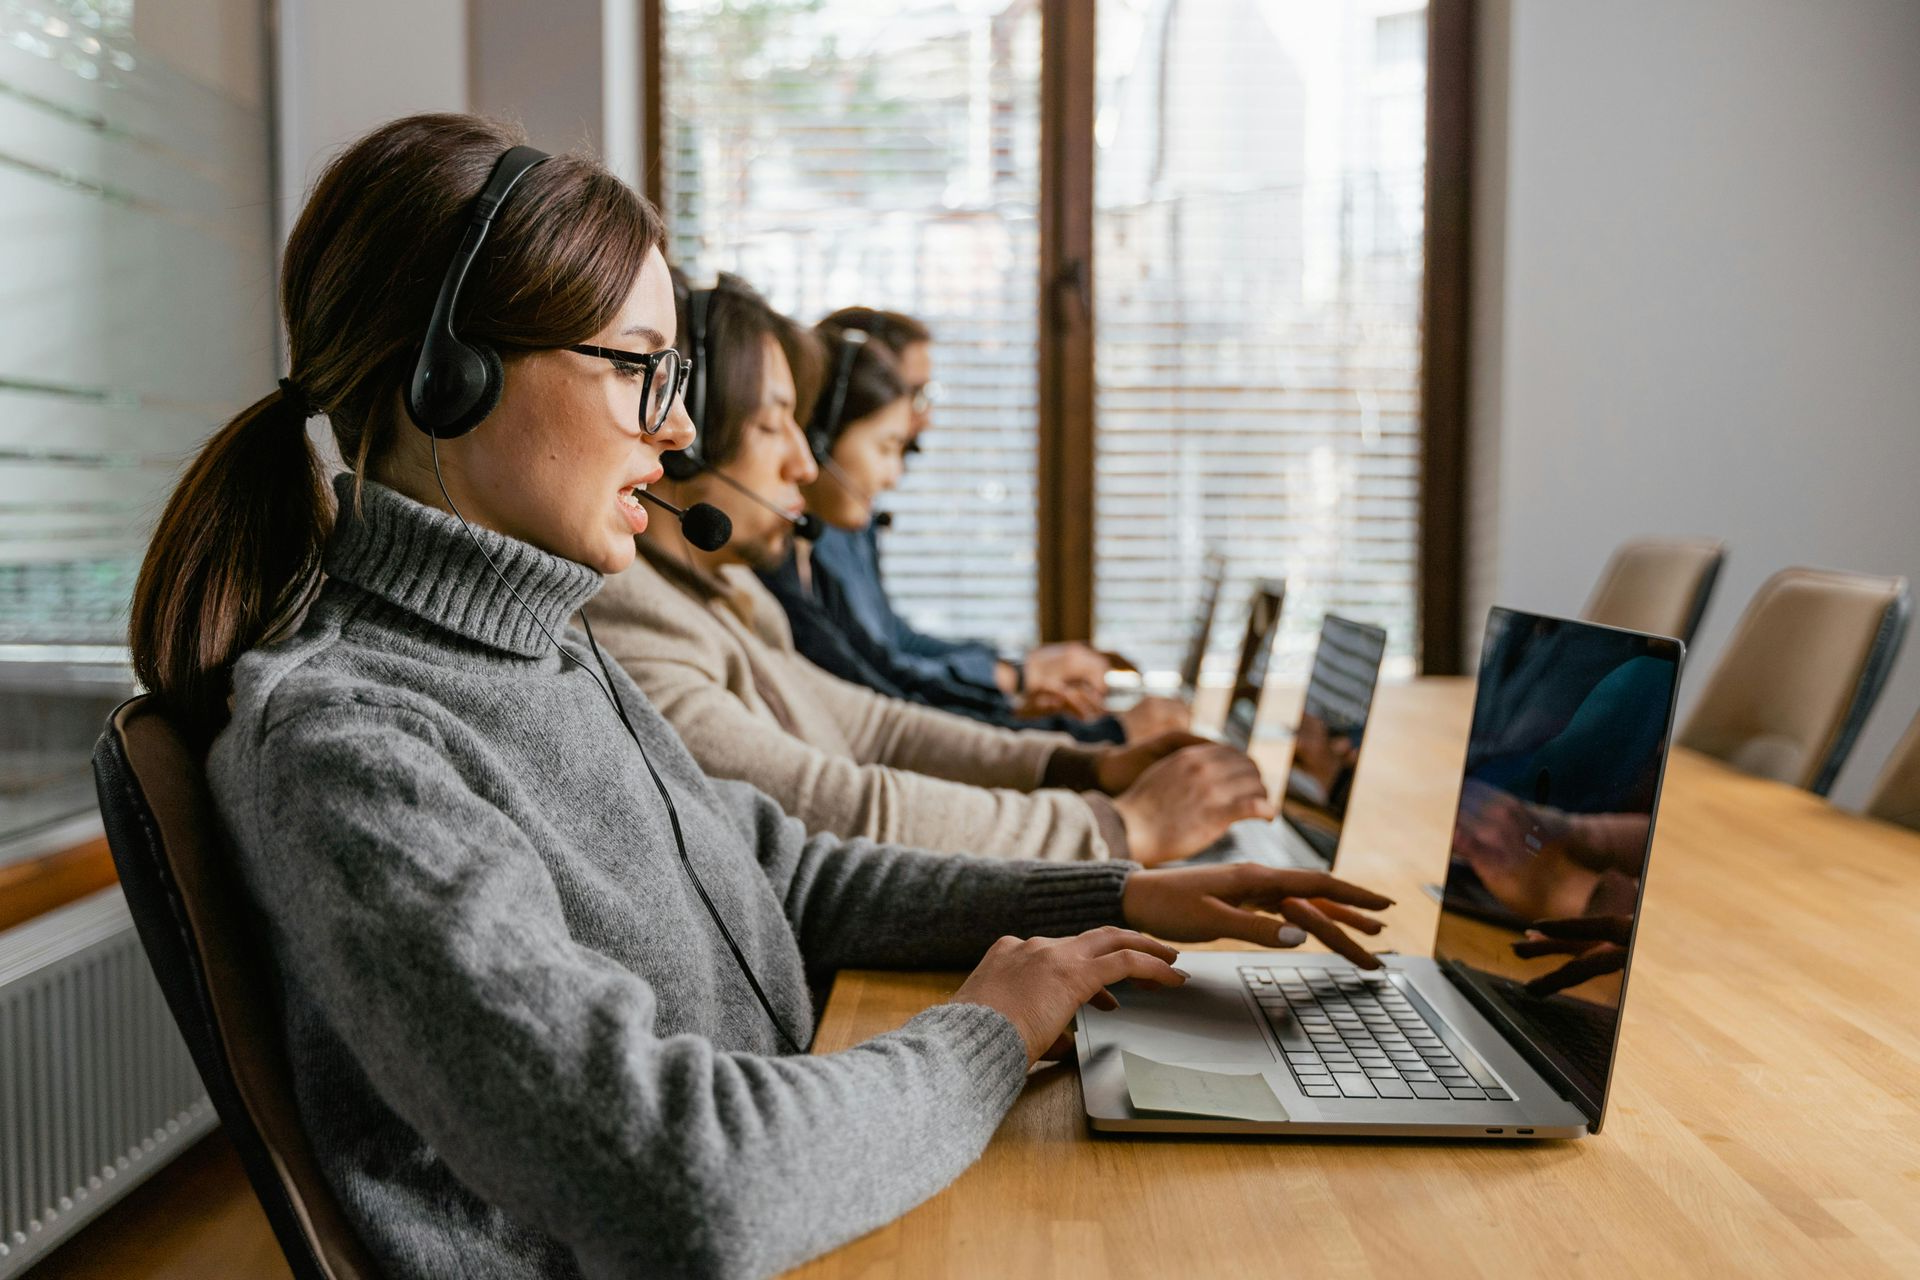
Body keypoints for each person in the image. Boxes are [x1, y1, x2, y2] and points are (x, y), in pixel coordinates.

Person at [127, 114, 1396, 1279]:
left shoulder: (545, 647)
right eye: (638, 367)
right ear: (445, 374)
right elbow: (683, 1180)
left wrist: (1107, 896)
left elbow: (782, 873)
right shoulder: (349, 743)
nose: (678, 435)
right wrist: (984, 1036)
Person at [592, 274, 1273, 866]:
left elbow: (882, 728)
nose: (804, 463)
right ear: (691, 446)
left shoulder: (725, 587)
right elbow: (837, 803)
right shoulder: (636, 616)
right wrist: (1122, 825)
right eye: (775, 426)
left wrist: (1083, 763)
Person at [758, 326, 1172, 744]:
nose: (926, 416)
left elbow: (886, 672)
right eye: (887, 445)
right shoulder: (791, 561)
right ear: (824, 430)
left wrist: (1013, 703)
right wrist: (1081, 734)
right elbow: (885, 706)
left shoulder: (814, 554)